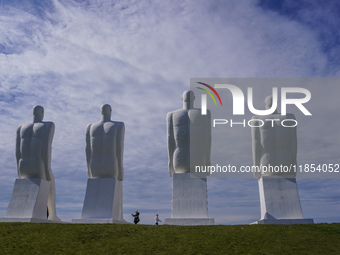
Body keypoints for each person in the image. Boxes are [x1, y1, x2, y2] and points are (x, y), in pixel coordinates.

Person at [16, 105, 61, 221]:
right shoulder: (48, 125)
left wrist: (19, 171)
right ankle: (52, 215)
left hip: (23, 166)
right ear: (42, 112)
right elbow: (46, 148)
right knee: (51, 181)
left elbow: (17, 151)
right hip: (38, 165)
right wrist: (47, 169)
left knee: (48, 180)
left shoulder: (20, 127)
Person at [166, 90, 211, 176]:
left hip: (186, 158)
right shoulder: (204, 114)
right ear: (194, 98)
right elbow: (207, 139)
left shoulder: (172, 115)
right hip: (188, 157)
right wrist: (208, 161)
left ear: (182, 98)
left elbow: (170, 141)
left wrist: (171, 162)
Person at [251, 95, 297, 178]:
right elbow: (293, 144)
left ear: (265, 103)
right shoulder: (290, 118)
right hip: (286, 162)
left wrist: (256, 168)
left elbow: (256, 145)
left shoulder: (257, 119)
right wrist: (294, 164)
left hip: (267, 163)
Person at [86, 104, 125, 180]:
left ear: (100, 111)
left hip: (94, 166)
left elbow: (88, 151)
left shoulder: (90, 127)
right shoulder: (118, 125)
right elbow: (118, 147)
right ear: (110, 111)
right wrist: (120, 171)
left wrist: (89, 171)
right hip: (111, 165)